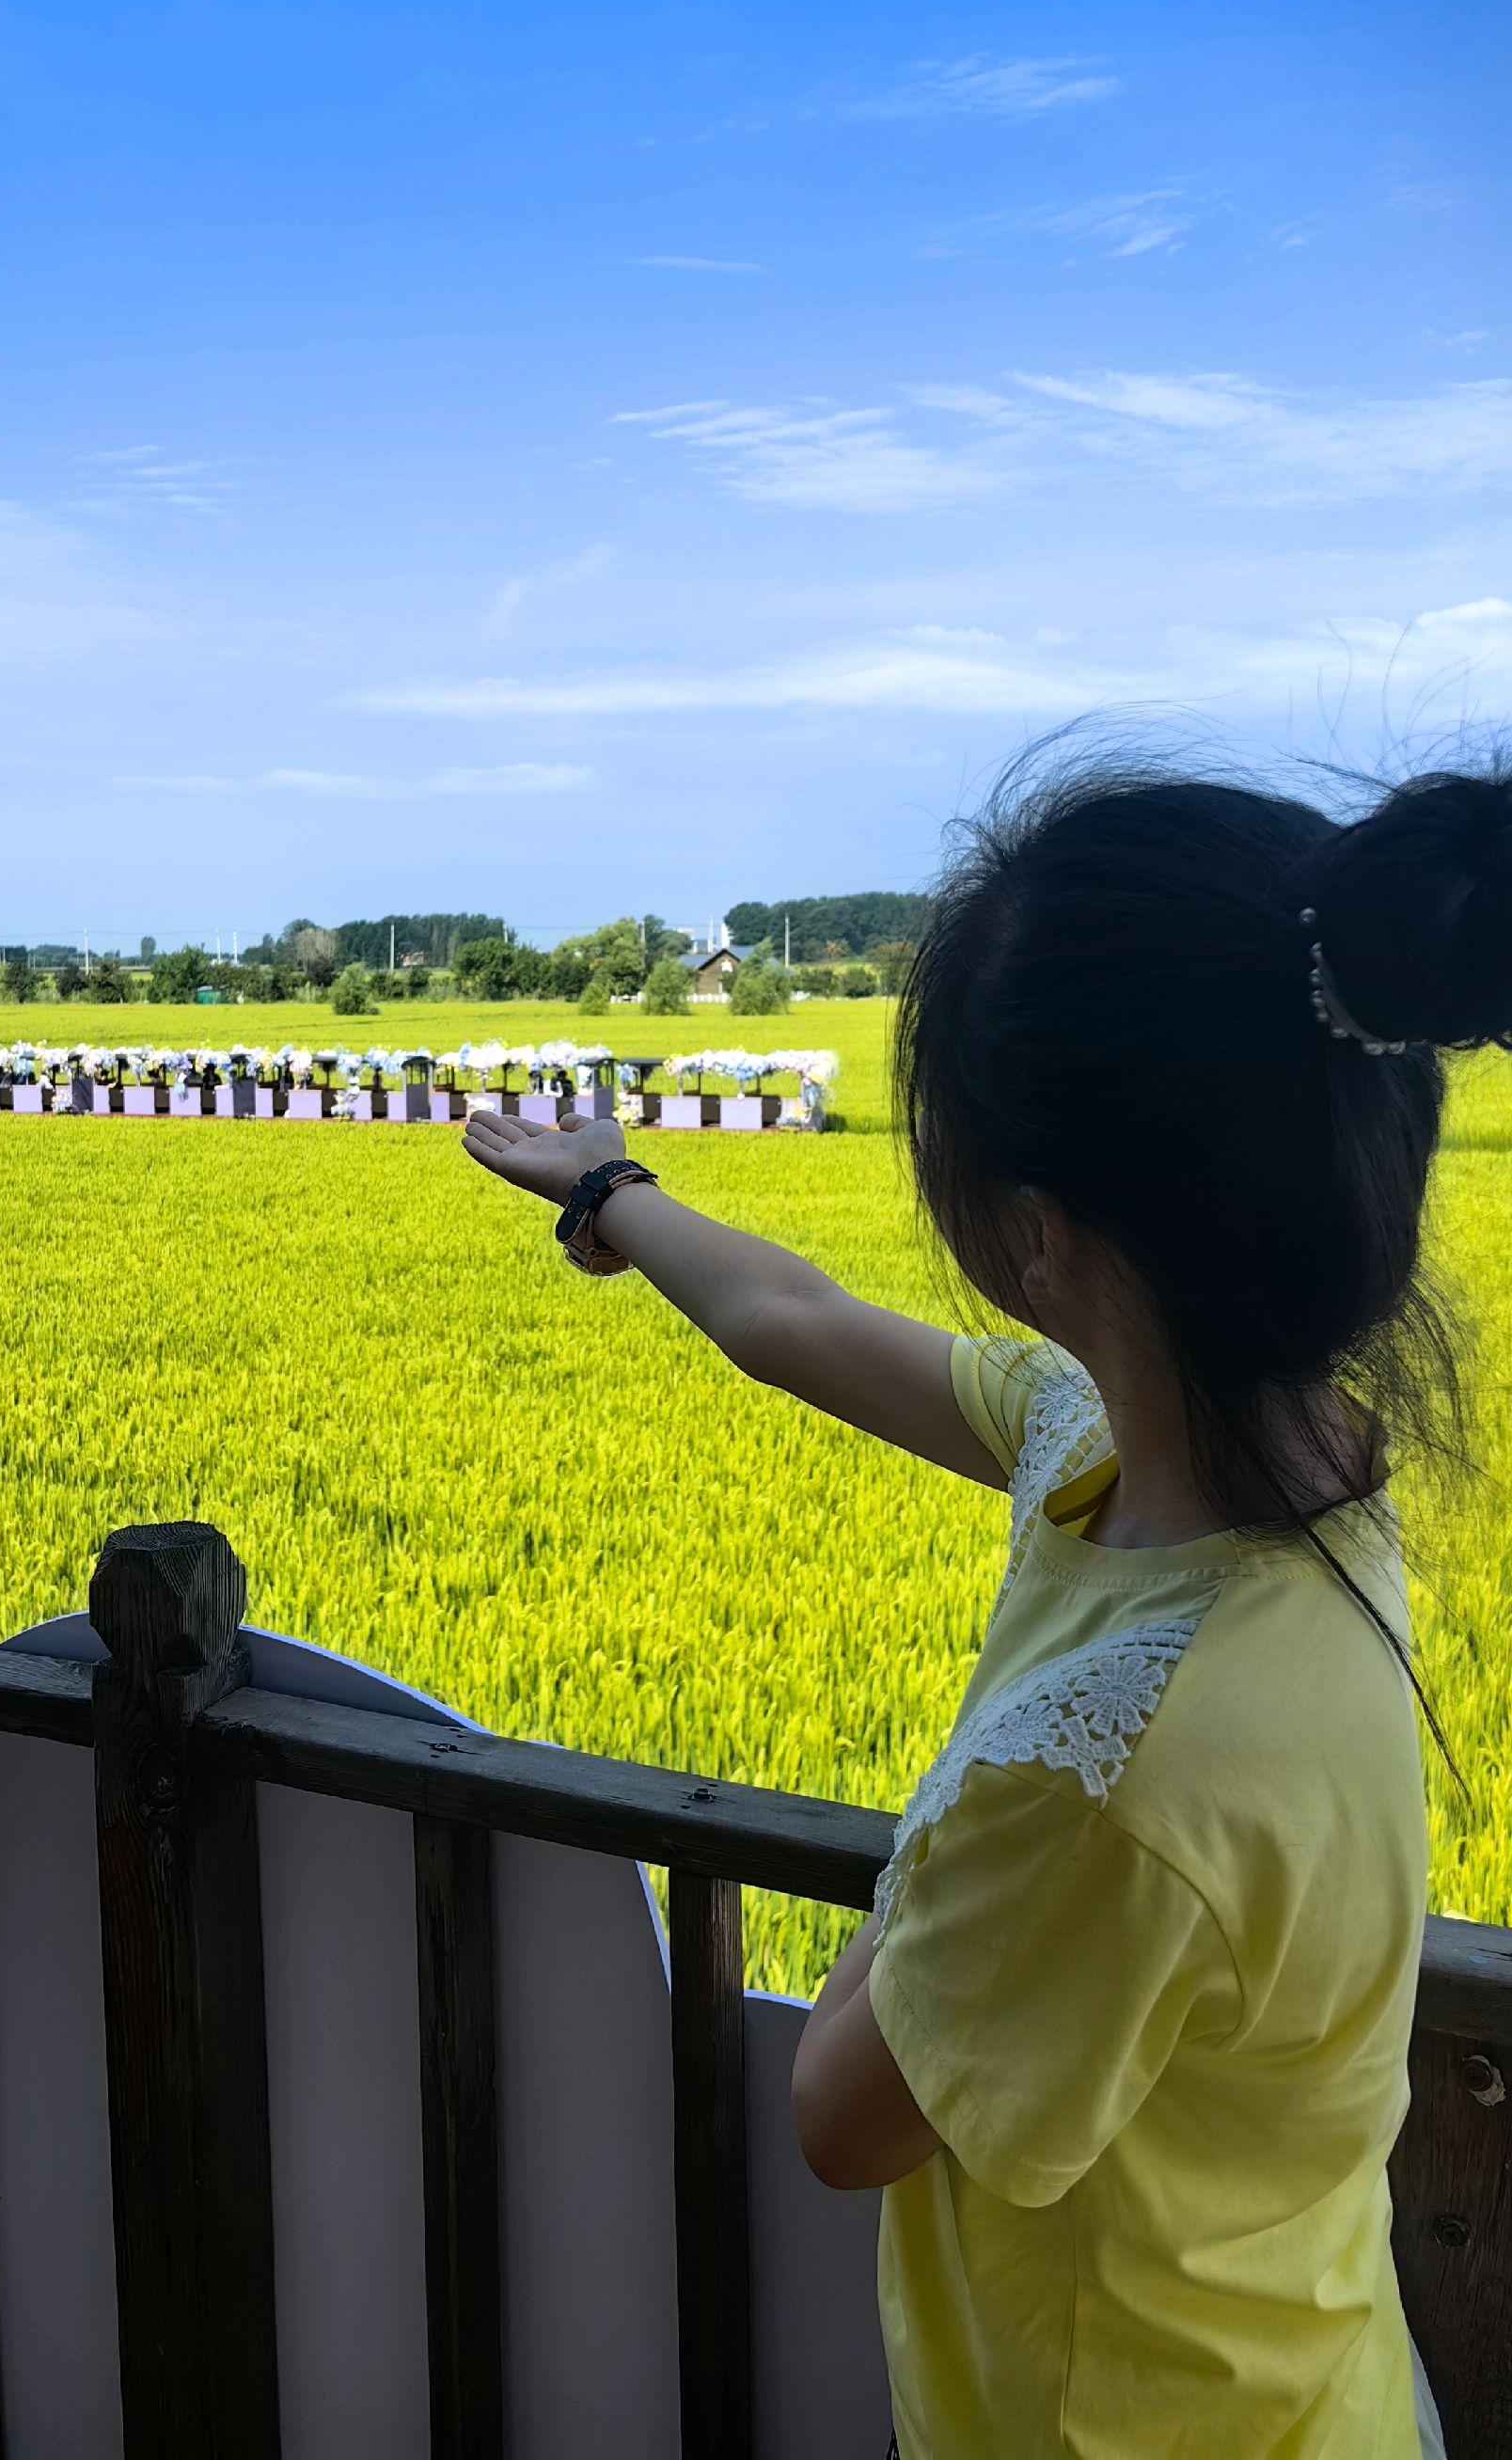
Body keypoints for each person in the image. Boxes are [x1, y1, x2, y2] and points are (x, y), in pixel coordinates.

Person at [463, 757, 1509, 2459]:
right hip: (1311, 2383)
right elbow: (799, 1319)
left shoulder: (1106, 1792)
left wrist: (949, 1835)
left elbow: (840, 2116)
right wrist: (610, 1192)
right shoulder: (1259, 1467)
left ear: (1036, 1238)